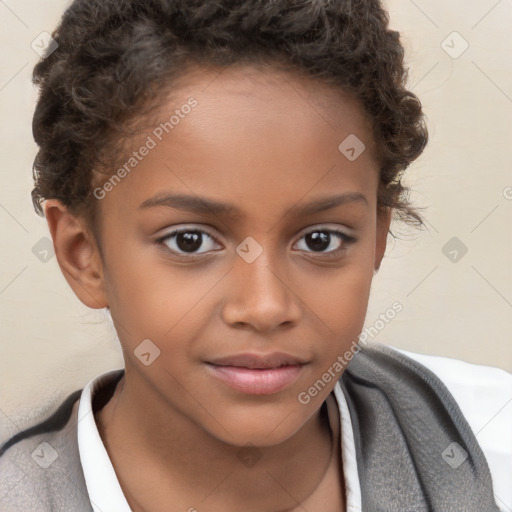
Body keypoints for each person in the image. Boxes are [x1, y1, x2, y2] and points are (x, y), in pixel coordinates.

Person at [0, 0, 510, 510]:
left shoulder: (490, 442)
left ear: (377, 236)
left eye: (320, 240)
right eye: (190, 241)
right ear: (82, 254)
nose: (265, 307)